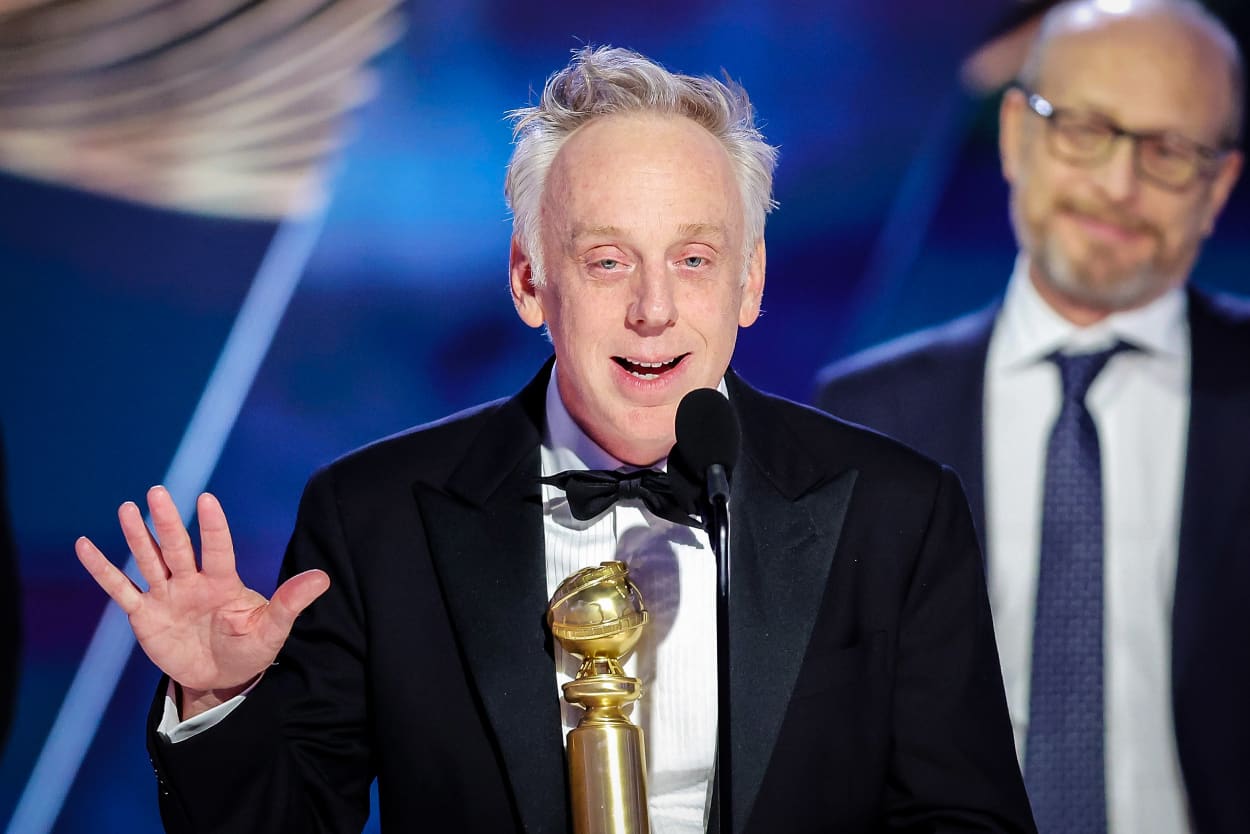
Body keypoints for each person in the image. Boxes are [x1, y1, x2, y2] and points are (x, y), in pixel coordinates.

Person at [78, 46, 1035, 833]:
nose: (654, 309)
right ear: (530, 282)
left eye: (693, 261)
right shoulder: (377, 517)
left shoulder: (898, 510)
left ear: (749, 283)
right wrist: (220, 708)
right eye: (607, 260)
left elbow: (967, 822)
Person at [814, 2, 1247, 833]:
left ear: (1218, 185)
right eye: (1086, 128)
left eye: (1169, 151)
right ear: (1015, 133)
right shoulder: (864, 417)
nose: (1119, 187)